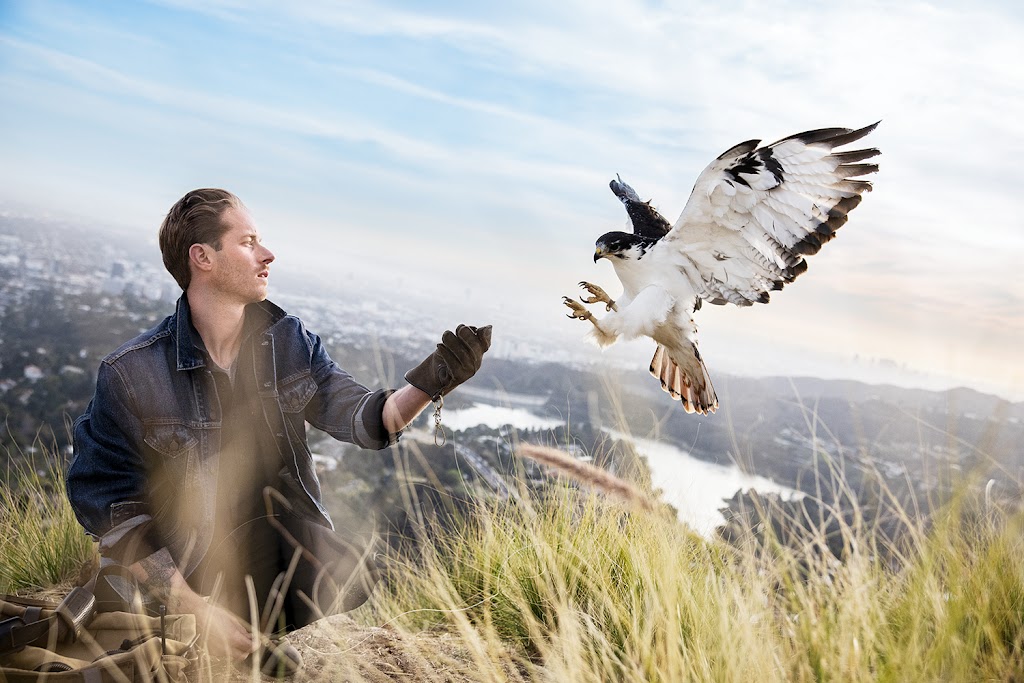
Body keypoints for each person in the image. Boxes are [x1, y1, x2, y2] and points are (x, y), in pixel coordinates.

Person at [66, 188, 491, 668]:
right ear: (202, 257)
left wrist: (434, 380)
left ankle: (242, 636)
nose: (268, 254)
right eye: (249, 242)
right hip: (184, 556)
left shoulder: (289, 342)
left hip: (257, 536)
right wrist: (196, 609)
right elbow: (110, 506)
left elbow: (368, 420)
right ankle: (181, 618)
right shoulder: (131, 372)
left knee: (349, 573)